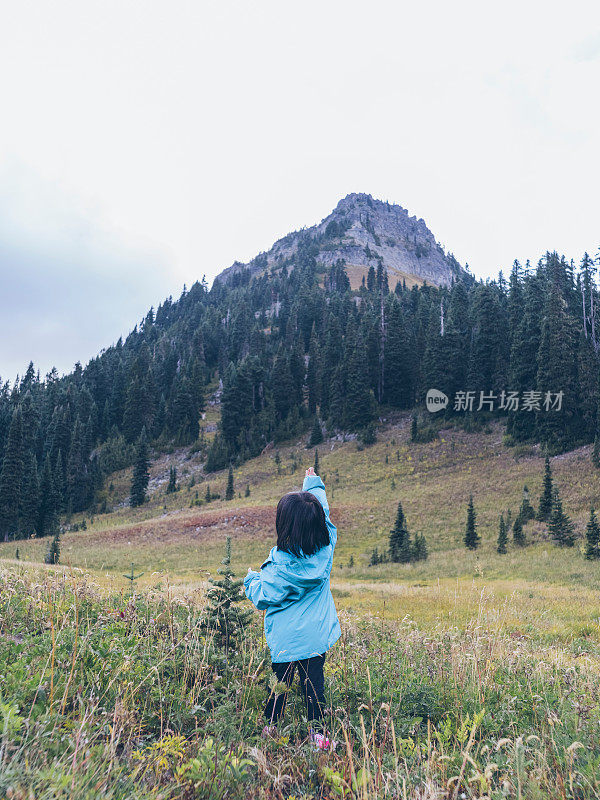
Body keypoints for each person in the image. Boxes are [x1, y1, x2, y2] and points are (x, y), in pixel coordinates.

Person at [244, 467, 339, 749]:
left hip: (285, 642)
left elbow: (261, 597)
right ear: (318, 524)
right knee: (314, 687)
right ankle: (318, 735)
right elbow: (324, 511)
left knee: (278, 686)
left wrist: (251, 578)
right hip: (315, 639)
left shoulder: (279, 569)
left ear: (284, 527)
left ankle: (271, 727)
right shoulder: (327, 548)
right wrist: (312, 484)